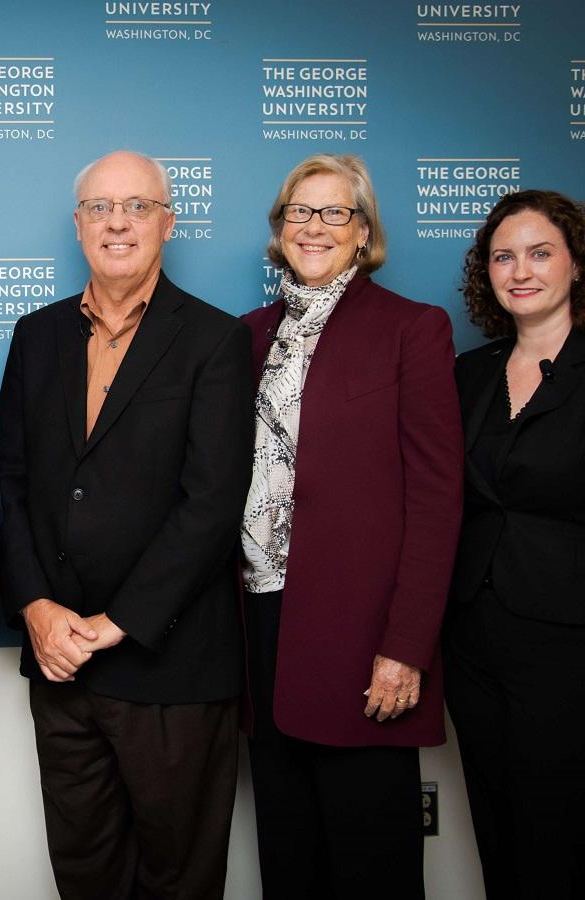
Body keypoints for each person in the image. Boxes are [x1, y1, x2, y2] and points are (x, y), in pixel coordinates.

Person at [0, 150, 252, 900]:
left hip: (170, 667)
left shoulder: (214, 339)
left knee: (179, 877)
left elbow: (211, 503)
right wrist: (38, 609)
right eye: (100, 207)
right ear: (77, 225)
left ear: (167, 223)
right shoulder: (35, 335)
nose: (116, 222)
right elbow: (8, 484)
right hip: (59, 663)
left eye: (137, 206)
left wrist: (116, 623)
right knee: (84, 872)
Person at [239, 153, 462, 899]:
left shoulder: (413, 329)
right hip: (263, 624)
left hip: (362, 637)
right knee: (289, 855)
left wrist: (406, 647)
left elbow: (437, 500)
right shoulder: (247, 335)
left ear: (363, 232)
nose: (314, 226)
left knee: (373, 863)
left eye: (335, 212)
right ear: (279, 228)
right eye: (300, 211)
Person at [446, 189, 585, 900]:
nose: (519, 270)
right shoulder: (469, 374)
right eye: (504, 256)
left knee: (555, 833)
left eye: (539, 253)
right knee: (495, 826)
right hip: (472, 635)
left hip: (566, 639)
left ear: (575, 263)